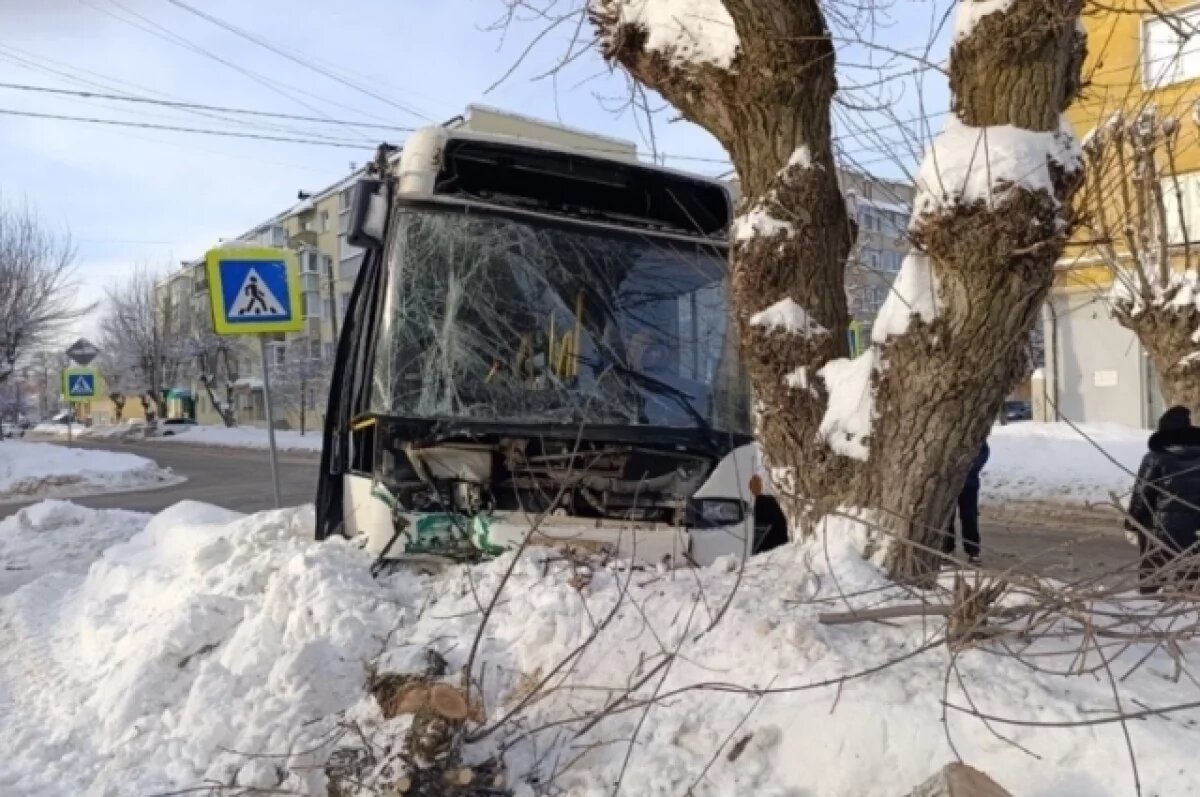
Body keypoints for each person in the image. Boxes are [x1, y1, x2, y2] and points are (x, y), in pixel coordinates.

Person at [1125, 406, 1200, 595]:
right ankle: (1188, 604)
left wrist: (1131, 524)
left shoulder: (1155, 457)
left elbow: (1142, 495)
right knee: (1190, 577)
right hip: (1195, 530)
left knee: (1153, 575)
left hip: (1160, 531)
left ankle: (1149, 604)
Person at [944, 440, 990, 565]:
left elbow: (983, 454)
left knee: (969, 516)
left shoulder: (976, 438)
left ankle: (973, 551)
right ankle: (947, 549)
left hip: (969, 484)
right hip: (947, 484)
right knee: (947, 516)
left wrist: (968, 470)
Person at [748, 474, 789, 553]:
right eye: (754, 484)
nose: (757, 486)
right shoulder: (766, 501)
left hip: (773, 547)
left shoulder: (769, 501)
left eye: (758, 483)